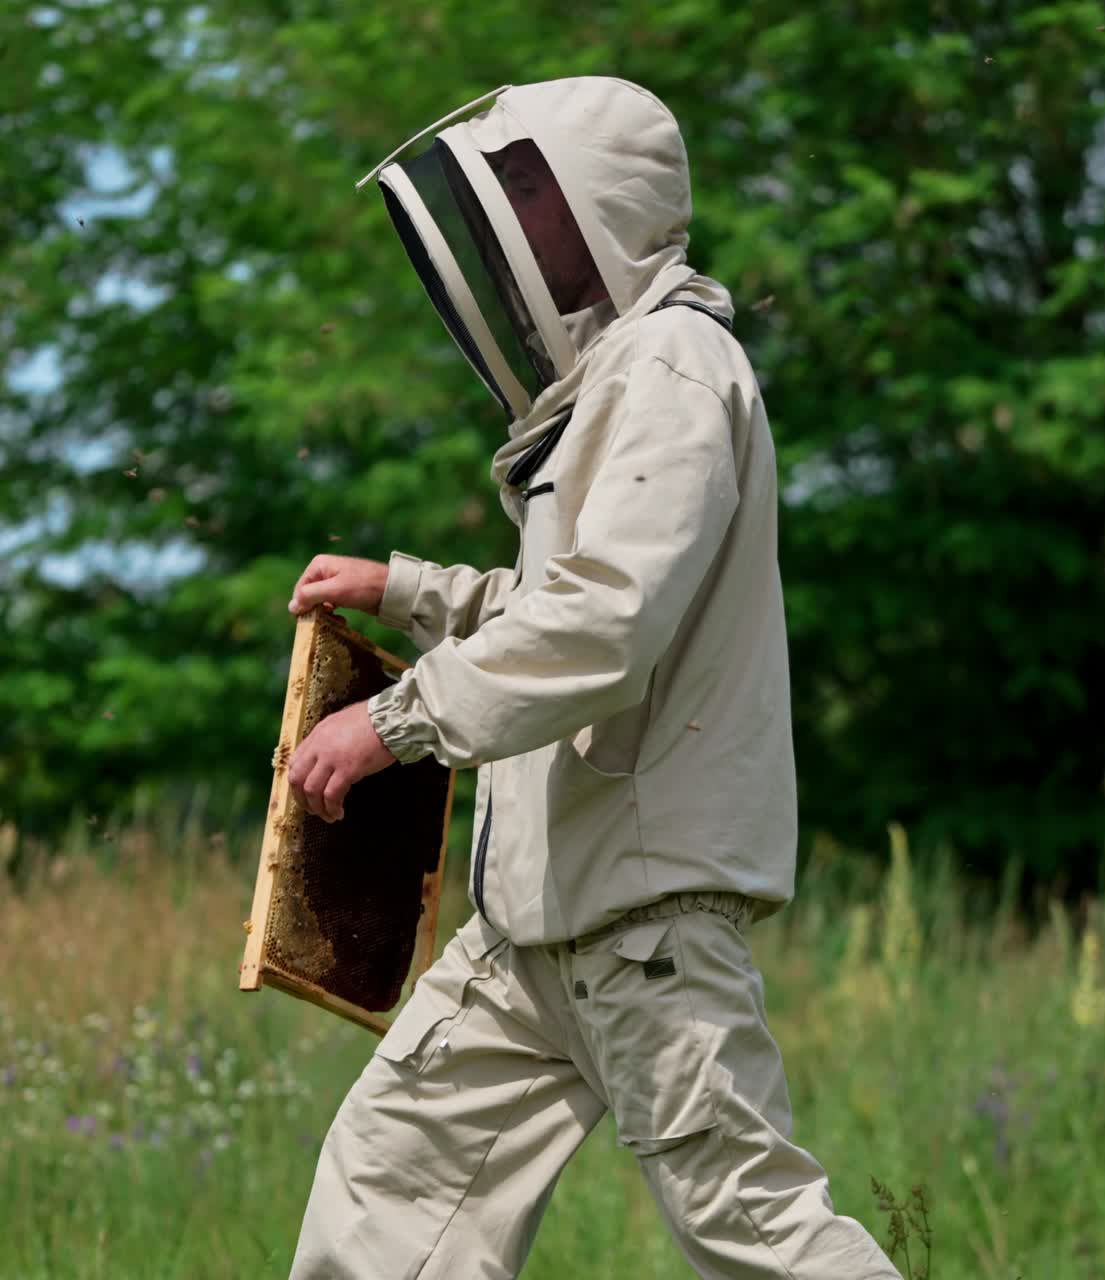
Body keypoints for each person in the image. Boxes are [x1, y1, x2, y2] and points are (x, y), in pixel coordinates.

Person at [284, 76, 901, 1280]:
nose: (509, 215)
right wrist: (405, 588)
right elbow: (557, 602)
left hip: (640, 920)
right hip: (532, 928)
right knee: (386, 1191)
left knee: (749, 1224)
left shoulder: (672, 364)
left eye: (526, 182)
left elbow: (605, 622)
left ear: (598, 198)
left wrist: (397, 721)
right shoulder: (613, 379)